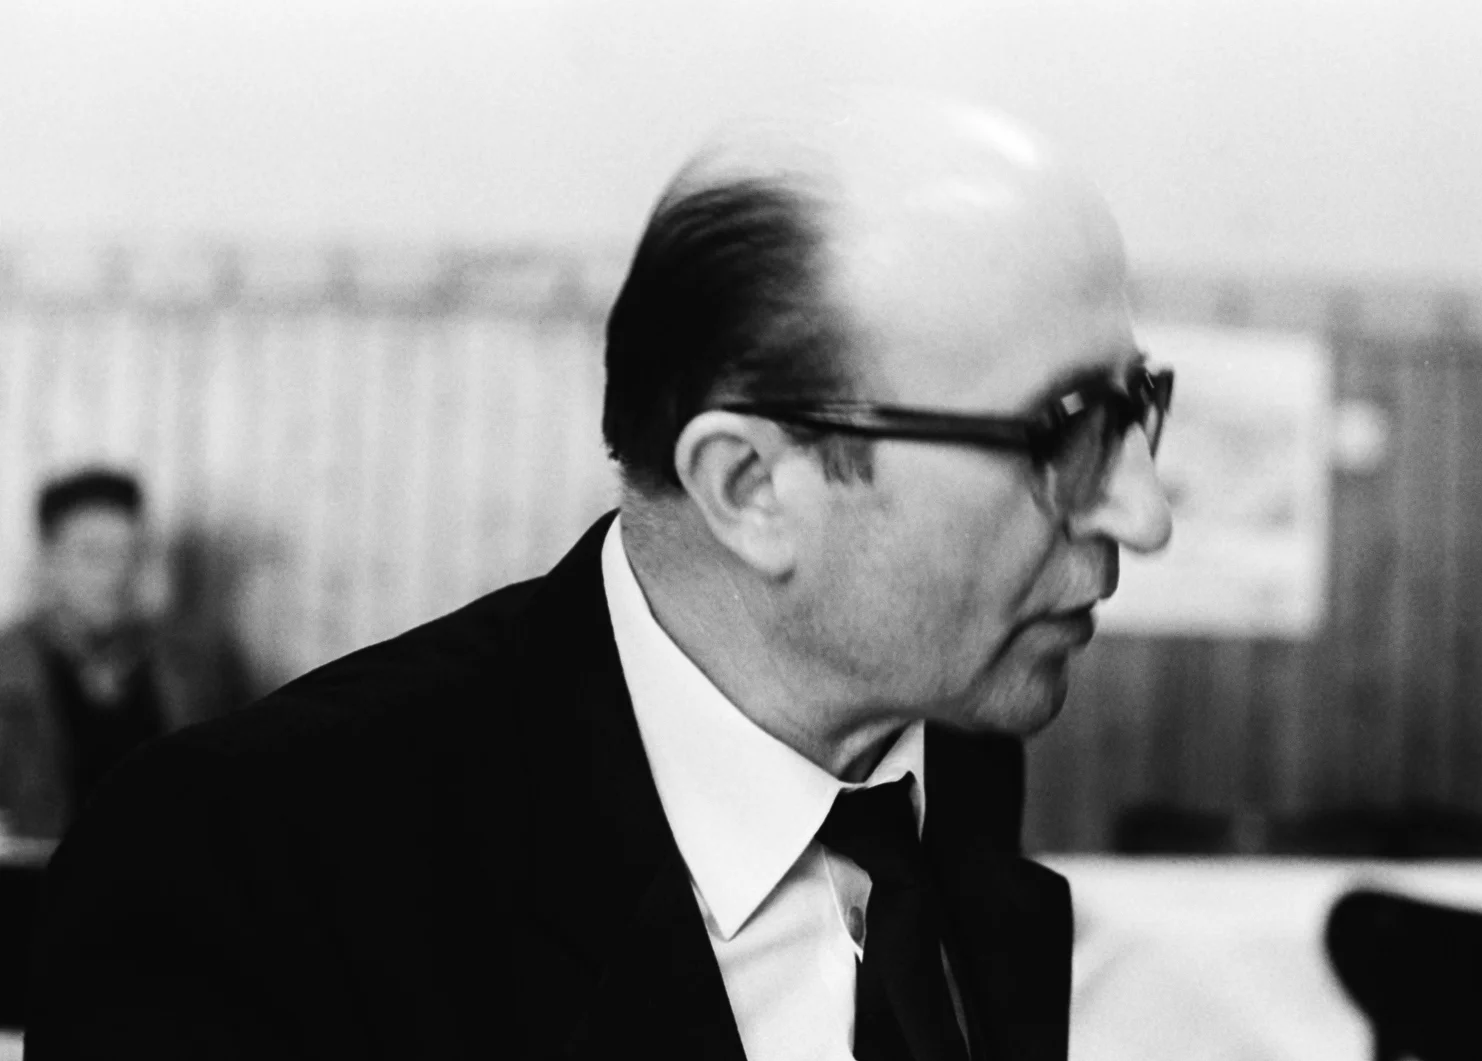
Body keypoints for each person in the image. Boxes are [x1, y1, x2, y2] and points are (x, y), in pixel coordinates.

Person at [27, 94, 1171, 1060]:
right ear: (750, 485)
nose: (1146, 512)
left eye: (1138, 409)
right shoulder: (241, 876)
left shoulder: (950, 755)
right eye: (1065, 431)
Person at [0, 469, 250, 841]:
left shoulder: (200, 660)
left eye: (131, 553)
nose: (117, 574)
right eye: (93, 555)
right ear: (48, 561)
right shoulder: (9, 666)